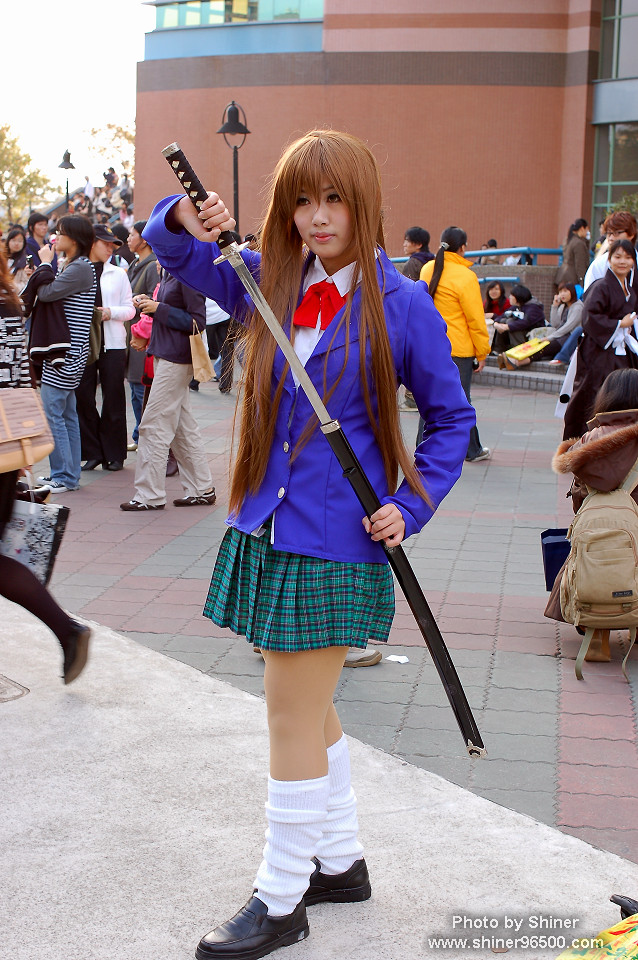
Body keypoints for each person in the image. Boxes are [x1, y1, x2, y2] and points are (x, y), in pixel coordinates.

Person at [144, 129, 474, 960]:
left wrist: (411, 505)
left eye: (333, 200)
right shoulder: (270, 279)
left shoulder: (403, 305)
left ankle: (282, 896)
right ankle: (340, 862)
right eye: (301, 200)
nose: (317, 217)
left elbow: (450, 419)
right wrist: (185, 214)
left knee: (289, 710)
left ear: (363, 205)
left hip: (338, 539)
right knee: (310, 702)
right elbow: (173, 252)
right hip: (270, 523)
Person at [0, 243, 91, 683]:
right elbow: (21, 377)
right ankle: (67, 631)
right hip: (6, 446)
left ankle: (68, 630)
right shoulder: (7, 304)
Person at [546, 368, 638, 661]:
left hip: (599, 530)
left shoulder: (590, 440)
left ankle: (596, 634)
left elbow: (579, 494)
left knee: (593, 562)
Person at [119, 261, 216, 511]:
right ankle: (201, 489)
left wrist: (158, 308)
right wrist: (151, 306)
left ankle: (149, 495)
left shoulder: (187, 272)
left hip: (176, 358)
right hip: (166, 354)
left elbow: (197, 322)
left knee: (153, 425)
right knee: (183, 427)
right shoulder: (169, 270)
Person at [26, 216, 97, 493]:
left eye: (60, 232)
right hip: (68, 351)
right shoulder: (76, 265)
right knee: (66, 414)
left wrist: (45, 264)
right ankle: (68, 474)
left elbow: (46, 293)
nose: (55, 237)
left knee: (53, 413)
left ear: (74, 239)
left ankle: (63, 476)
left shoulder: (79, 267)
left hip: (64, 353)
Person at [420, 226, 491, 461]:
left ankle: (423, 447)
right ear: (462, 248)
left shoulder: (428, 269)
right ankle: (471, 450)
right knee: (461, 402)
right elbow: (475, 319)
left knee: (428, 398)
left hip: (429, 347)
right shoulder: (466, 276)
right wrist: (482, 352)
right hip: (457, 349)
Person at [563, 238, 638, 440]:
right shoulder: (601, 286)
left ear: (633, 261)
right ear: (609, 259)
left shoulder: (629, 289)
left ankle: (616, 440)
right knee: (593, 395)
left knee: (622, 395)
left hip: (621, 350)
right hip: (598, 351)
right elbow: (589, 317)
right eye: (617, 257)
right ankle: (582, 441)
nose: (622, 261)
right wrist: (619, 324)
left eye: (627, 257)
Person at [76, 224, 135, 472]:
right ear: (92, 243)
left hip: (112, 343)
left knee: (113, 397)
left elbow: (130, 309)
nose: (110, 248)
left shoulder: (118, 273)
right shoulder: (77, 271)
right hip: (84, 344)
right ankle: (92, 452)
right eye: (105, 243)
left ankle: (114, 454)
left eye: (113, 245)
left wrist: (110, 312)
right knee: (83, 397)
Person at [126, 221, 158, 450]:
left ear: (144, 239)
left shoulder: (152, 266)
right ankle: (139, 435)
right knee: (135, 388)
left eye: (132, 234)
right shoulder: (134, 264)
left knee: (140, 388)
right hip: (134, 332)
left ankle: (144, 437)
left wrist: (137, 300)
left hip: (145, 334)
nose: (129, 239)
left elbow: (155, 301)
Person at [584, 211, 638, 291]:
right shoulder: (599, 265)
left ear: (631, 234)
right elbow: (590, 295)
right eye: (609, 233)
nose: (611, 238)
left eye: (617, 233)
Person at [492, 283, 545, 357]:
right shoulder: (517, 306)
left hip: (532, 337)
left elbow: (526, 322)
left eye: (511, 295)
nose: (509, 297)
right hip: (523, 335)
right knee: (503, 321)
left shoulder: (534, 308)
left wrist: (507, 326)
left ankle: (518, 351)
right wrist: (496, 324)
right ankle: (499, 350)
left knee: (510, 322)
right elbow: (502, 315)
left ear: (518, 297)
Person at [556, 218, 590, 288]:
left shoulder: (569, 239)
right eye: (587, 229)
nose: (587, 232)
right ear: (582, 228)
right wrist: (582, 281)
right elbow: (580, 265)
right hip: (572, 280)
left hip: (563, 276)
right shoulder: (579, 243)